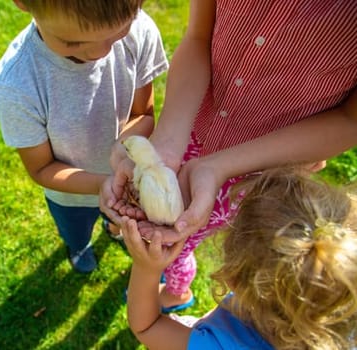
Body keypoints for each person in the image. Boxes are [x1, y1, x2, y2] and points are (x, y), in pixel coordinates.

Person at [101, 0, 357, 311]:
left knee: (180, 243)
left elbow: (350, 120)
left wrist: (217, 167)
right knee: (172, 231)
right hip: (193, 126)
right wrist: (167, 147)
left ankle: (178, 290)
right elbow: (199, 37)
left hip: (258, 172)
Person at [0, 0, 168, 273]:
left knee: (121, 217)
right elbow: (41, 167)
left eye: (117, 34)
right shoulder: (14, 86)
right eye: (72, 43)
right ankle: (79, 246)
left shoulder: (139, 31)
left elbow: (143, 114)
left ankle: (113, 227)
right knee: (76, 229)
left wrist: (122, 153)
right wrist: (105, 183)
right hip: (69, 196)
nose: (100, 52)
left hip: (126, 181)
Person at [121, 169, 357, 350]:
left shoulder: (218, 345)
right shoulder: (345, 313)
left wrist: (147, 268)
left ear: (233, 279)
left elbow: (148, 326)